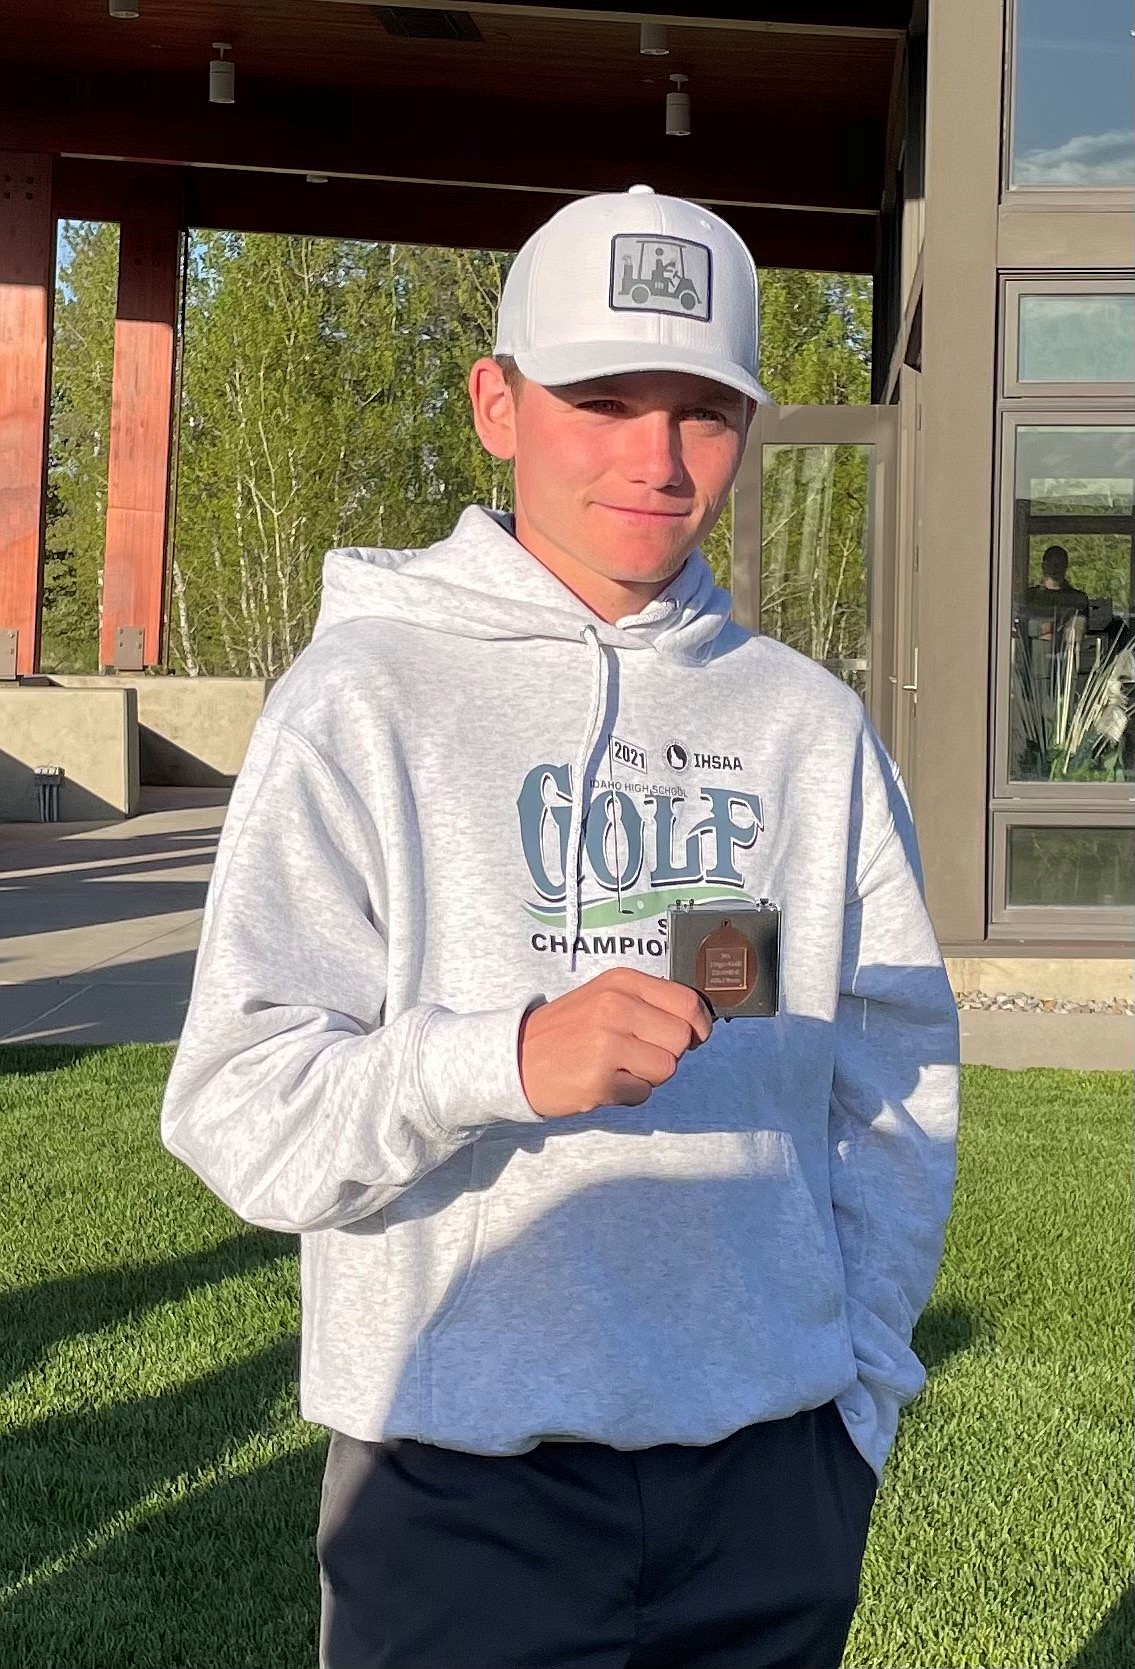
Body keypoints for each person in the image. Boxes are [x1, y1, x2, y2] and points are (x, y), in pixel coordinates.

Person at [160, 184, 960, 1669]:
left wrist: (853, 1398)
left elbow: (892, 1076)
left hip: (769, 1480)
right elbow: (234, 1105)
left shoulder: (806, 727)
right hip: (455, 1487)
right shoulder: (363, 703)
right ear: (496, 402)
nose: (655, 460)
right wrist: (500, 1060)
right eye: (601, 399)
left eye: (702, 410)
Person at [1024, 544, 1090, 641]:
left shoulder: (1077, 599)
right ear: (1043, 566)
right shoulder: (1030, 596)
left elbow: (1077, 633)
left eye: (1059, 563)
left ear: (1066, 566)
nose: (1055, 567)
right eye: (1051, 563)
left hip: (1067, 652)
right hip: (1032, 652)